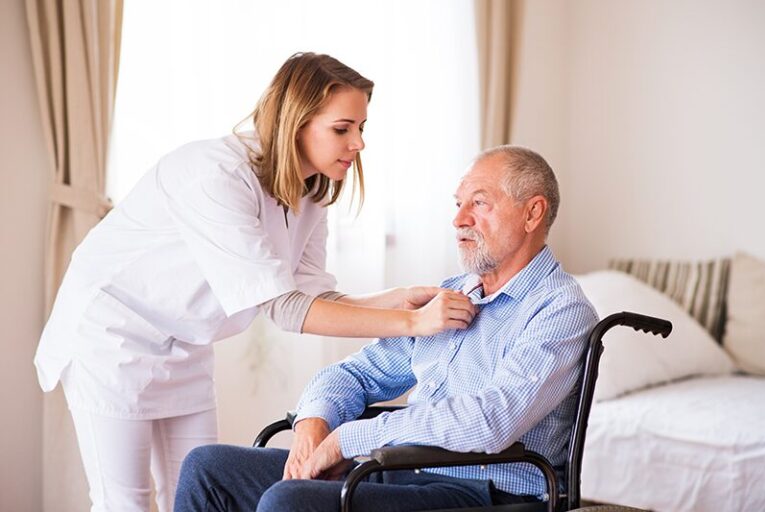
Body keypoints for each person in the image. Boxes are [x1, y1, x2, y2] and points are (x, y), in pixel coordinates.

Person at [33, 52, 477, 512]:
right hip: (112, 335)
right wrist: (414, 324)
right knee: (125, 501)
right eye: (343, 129)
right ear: (296, 122)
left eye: (362, 128)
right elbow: (285, 308)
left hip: (184, 343)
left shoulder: (311, 193)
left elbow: (315, 296)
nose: (359, 143)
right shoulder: (215, 174)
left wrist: (399, 301)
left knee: (198, 490)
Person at [174, 145, 600, 512]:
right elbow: (355, 374)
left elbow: (490, 421)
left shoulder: (559, 310)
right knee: (208, 469)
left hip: (483, 492)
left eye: (479, 203)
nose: (459, 220)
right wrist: (314, 424)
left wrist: (348, 440)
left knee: (290, 503)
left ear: (533, 213)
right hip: (397, 470)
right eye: (458, 204)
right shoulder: (452, 295)